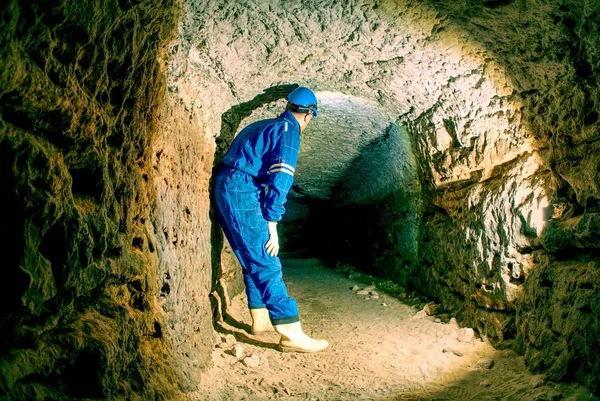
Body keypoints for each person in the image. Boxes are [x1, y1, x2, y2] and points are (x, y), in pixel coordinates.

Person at [212, 86, 328, 353]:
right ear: (309, 115)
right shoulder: (289, 132)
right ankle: (290, 332)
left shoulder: (261, 125)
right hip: (240, 188)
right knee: (266, 258)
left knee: (250, 256)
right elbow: (282, 178)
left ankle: (260, 317)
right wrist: (272, 224)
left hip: (228, 184)